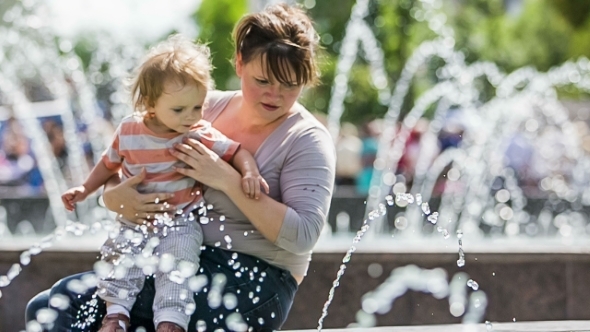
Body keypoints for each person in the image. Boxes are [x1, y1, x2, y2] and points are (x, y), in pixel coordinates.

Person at [26, 3, 336, 332]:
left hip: (258, 279)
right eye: (263, 80)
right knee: (50, 306)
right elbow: (130, 157)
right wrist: (115, 198)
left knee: (90, 308)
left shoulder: (306, 139)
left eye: (290, 85)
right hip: (174, 259)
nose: (275, 94)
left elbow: (303, 237)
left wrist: (227, 179)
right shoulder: (198, 105)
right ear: (240, 62)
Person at [59, 35, 267, 332]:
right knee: (120, 254)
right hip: (135, 217)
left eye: (197, 107)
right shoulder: (130, 130)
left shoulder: (198, 132)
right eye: (179, 110)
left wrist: (250, 173)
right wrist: (85, 189)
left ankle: (171, 321)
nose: (191, 117)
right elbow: (109, 163)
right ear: (150, 104)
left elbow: (237, 151)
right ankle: (115, 314)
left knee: (179, 264)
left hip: (181, 219)